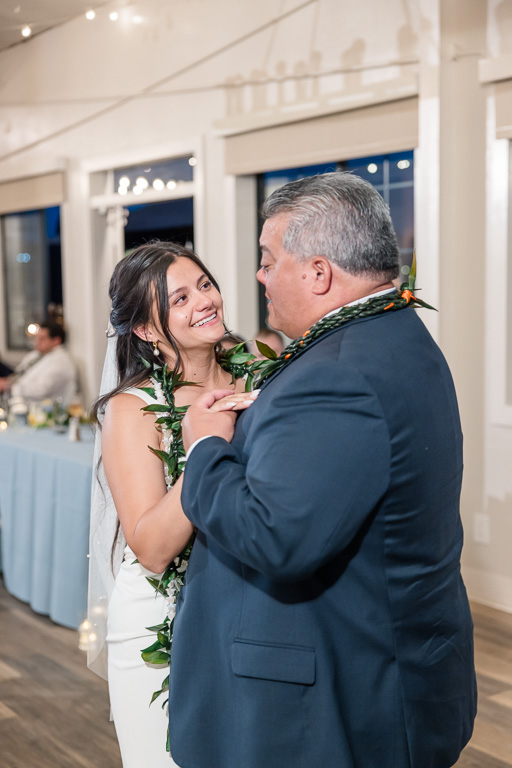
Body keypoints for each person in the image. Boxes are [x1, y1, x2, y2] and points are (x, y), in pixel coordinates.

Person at [171, 172, 477, 768]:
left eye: (267, 259)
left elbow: (276, 536)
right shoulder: (399, 334)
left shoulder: (338, 371)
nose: (259, 276)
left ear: (317, 273)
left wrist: (206, 447)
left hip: (335, 695)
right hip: (397, 656)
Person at [87, 242, 256, 768]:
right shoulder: (131, 410)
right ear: (144, 330)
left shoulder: (258, 377)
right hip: (162, 616)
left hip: (245, 604)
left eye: (204, 285)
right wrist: (204, 447)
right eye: (179, 299)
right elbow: (152, 547)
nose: (203, 302)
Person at [0, 321, 76, 403]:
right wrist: (7, 382)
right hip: (16, 400)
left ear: (56, 340)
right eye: (36, 338)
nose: (36, 342)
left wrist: (8, 387)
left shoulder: (61, 361)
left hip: (39, 410)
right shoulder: (36, 355)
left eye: (42, 338)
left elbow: (42, 390)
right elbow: (18, 374)